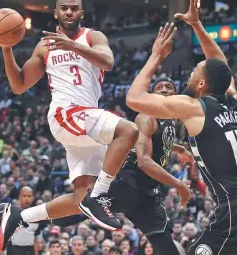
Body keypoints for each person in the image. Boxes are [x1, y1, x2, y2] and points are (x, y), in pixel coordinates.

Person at [0, 0, 139, 251]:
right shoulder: (44, 45)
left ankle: (18, 216)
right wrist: (6, 49)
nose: (68, 13)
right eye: (64, 8)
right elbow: (19, 85)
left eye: (74, 9)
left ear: (81, 13)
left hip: (87, 117)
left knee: (80, 198)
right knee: (129, 130)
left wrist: (73, 46)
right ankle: (98, 196)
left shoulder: (93, 36)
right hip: (66, 113)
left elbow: (108, 62)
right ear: (56, 13)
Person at [126, 0, 237, 255]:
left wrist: (155, 56)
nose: (191, 70)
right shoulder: (231, 99)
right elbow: (220, 63)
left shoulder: (194, 107)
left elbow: (134, 99)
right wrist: (196, 24)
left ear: (201, 83)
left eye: (195, 70)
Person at [17, 78, 193, 255]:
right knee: (77, 208)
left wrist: (178, 149)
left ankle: (32, 217)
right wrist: (179, 186)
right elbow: (144, 161)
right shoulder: (147, 118)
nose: (163, 90)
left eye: (168, 87)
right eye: (159, 88)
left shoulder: (170, 120)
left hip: (148, 195)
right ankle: (25, 217)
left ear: (175, 94)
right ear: (152, 96)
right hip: (127, 184)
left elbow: (158, 142)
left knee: (166, 247)